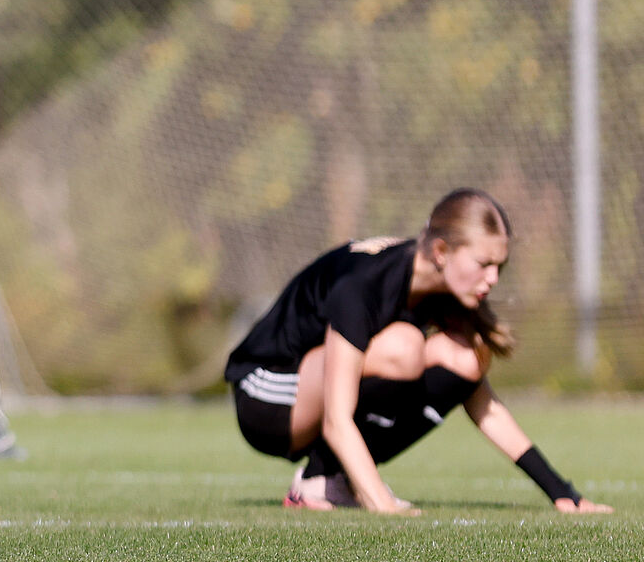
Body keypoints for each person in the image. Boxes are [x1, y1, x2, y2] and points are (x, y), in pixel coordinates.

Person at [225, 188, 613, 515]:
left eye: (500, 266)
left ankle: (324, 481)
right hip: (266, 394)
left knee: (466, 358)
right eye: (483, 264)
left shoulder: (440, 290)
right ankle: (329, 480)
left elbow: (484, 406)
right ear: (441, 251)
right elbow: (336, 419)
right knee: (404, 347)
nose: (493, 279)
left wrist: (562, 493)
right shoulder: (365, 283)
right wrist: (382, 504)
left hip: (317, 394)